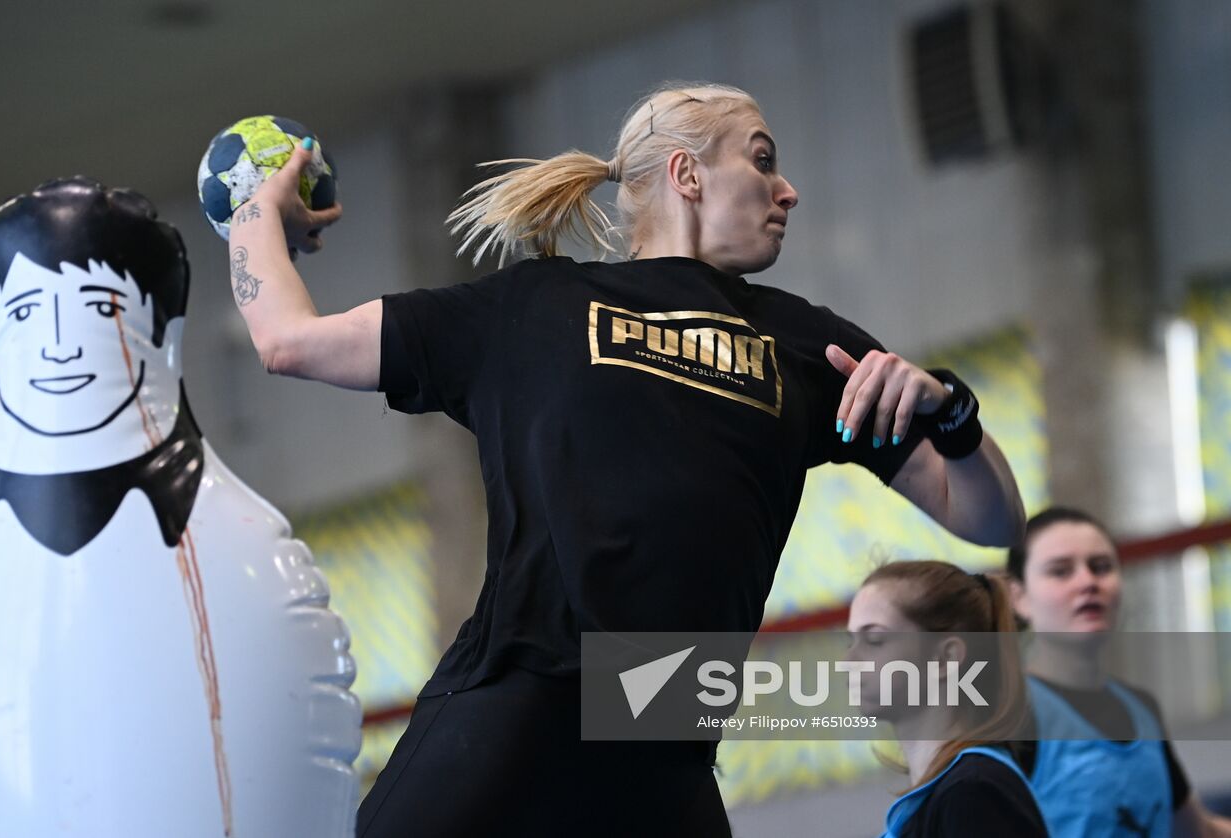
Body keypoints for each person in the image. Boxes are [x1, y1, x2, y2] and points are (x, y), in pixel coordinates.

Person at [225, 82, 1027, 836]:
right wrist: (257, 214)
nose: (788, 192)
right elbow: (288, 341)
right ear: (686, 174)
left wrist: (952, 413)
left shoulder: (810, 348)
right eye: (761, 158)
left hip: (665, 720)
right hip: (525, 694)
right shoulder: (531, 306)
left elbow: (991, 519)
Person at [1008, 507, 1231, 838]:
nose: (1087, 582)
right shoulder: (1006, 716)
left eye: (1101, 567)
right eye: (1061, 571)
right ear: (1020, 596)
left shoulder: (1141, 709)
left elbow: (1197, 831)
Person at [848, 560, 1049, 838]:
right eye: (851, 640)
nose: (849, 661)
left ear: (946, 659)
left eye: (874, 639)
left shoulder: (973, 794)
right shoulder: (947, 795)